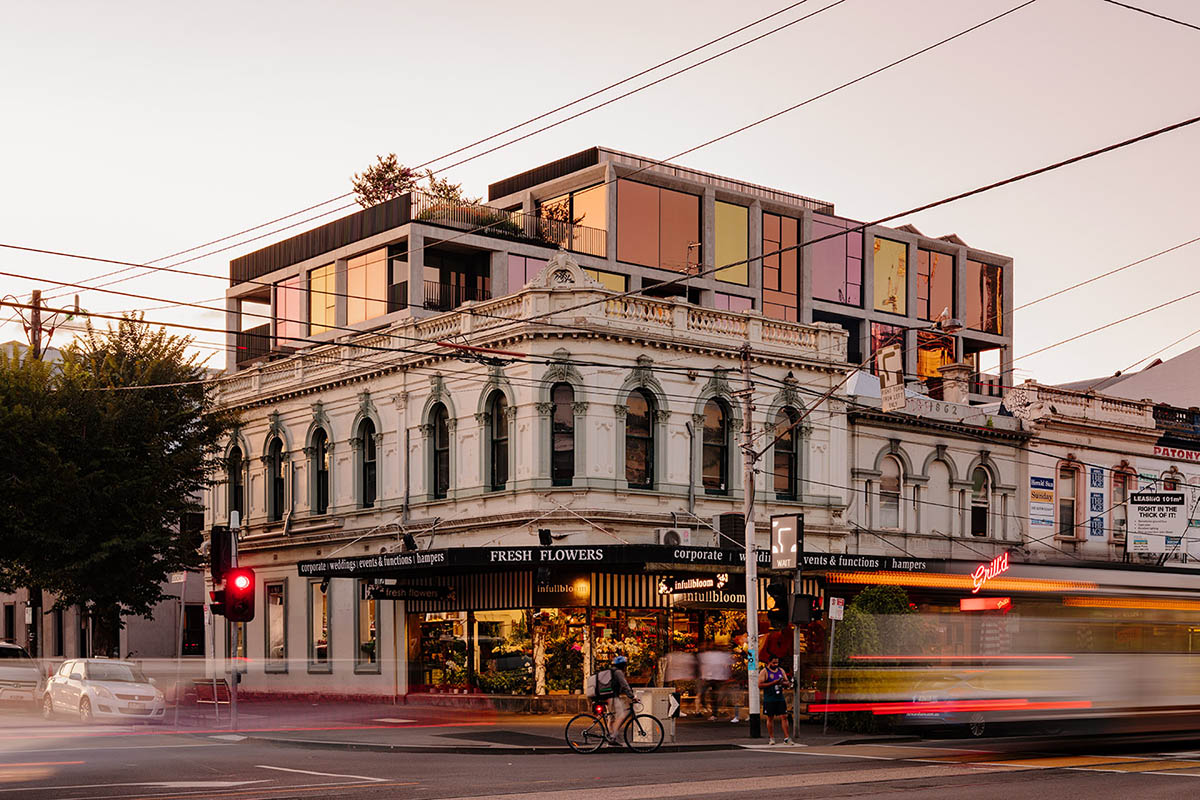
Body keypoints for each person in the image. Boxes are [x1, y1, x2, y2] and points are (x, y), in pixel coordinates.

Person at [759, 655, 792, 745]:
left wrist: (783, 683)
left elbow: (787, 682)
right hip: (769, 698)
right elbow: (760, 685)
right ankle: (772, 738)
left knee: (784, 716)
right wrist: (773, 683)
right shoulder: (764, 672)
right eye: (774, 663)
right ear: (769, 662)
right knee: (770, 717)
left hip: (780, 697)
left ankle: (786, 737)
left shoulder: (781, 670)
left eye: (777, 662)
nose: (775, 664)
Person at [607, 654, 638, 745]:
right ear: (623, 665)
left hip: (607, 696)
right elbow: (624, 685)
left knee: (611, 719)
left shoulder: (611, 671)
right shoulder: (618, 672)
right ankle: (612, 736)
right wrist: (632, 696)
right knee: (621, 716)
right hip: (613, 697)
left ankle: (612, 738)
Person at [697, 647, 733, 721]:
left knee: (712, 696)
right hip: (714, 678)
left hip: (714, 678)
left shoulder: (711, 656)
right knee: (711, 695)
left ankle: (714, 712)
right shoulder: (714, 656)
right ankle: (712, 710)